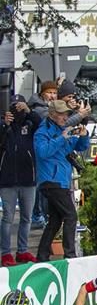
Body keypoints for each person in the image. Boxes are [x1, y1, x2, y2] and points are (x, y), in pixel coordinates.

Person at [33, 99, 89, 260]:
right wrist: (61, 138)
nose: (65, 117)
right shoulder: (42, 131)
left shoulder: (62, 128)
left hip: (60, 180)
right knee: (71, 215)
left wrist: (83, 136)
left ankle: (42, 255)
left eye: (66, 114)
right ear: (52, 115)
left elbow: (78, 146)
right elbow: (42, 152)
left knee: (55, 220)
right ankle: (69, 255)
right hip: (51, 180)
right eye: (62, 114)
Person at [0, 94, 39, 265]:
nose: (17, 110)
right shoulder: (4, 124)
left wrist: (29, 111)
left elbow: (41, 124)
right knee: (7, 217)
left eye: (19, 106)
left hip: (28, 179)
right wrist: (4, 124)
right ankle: (6, 252)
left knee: (27, 217)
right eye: (14, 106)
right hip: (7, 180)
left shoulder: (30, 124)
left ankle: (22, 251)